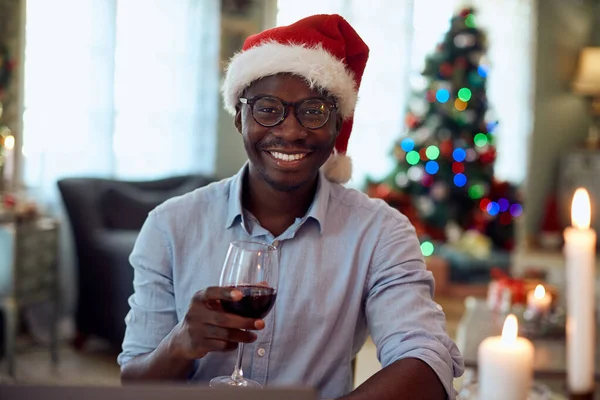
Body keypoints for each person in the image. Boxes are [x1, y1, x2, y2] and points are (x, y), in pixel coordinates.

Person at [118, 13, 464, 399]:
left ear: (337, 125)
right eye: (267, 108)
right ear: (239, 118)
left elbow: (427, 360)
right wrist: (181, 342)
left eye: (313, 111)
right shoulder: (170, 226)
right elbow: (134, 385)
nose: (290, 131)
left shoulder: (381, 232)